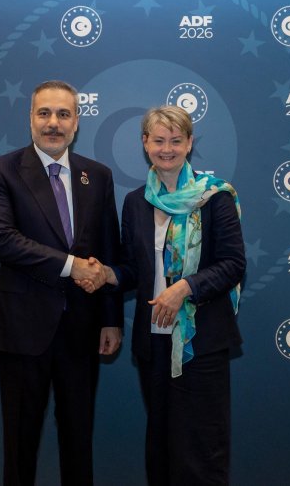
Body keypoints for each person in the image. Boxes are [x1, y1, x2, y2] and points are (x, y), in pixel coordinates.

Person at [80, 105, 245, 486]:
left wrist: (184, 289)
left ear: (189, 144)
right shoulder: (136, 202)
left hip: (200, 341)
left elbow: (233, 263)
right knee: (161, 446)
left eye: (175, 140)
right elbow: (134, 271)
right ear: (145, 144)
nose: (166, 149)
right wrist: (106, 273)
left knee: (202, 448)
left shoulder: (214, 196)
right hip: (152, 342)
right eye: (158, 140)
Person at [0, 80, 123, 486]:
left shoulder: (98, 176)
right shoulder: (0, 171)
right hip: (23, 330)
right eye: (44, 113)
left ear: (76, 122)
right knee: (20, 446)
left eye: (63, 114)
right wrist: (72, 266)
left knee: (79, 443)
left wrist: (111, 318)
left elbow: (109, 249)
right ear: (30, 119)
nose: (53, 123)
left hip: (82, 331)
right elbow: (3, 240)